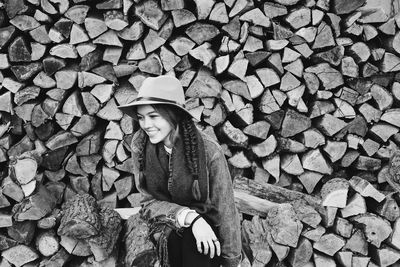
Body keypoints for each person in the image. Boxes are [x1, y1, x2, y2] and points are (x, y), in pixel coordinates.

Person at [118, 75, 242, 267]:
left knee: (198, 246)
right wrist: (191, 217)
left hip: (204, 228)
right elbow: (148, 202)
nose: (146, 125)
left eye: (153, 116)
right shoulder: (139, 145)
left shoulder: (209, 150)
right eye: (141, 117)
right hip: (162, 223)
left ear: (172, 114)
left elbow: (225, 209)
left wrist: (232, 261)